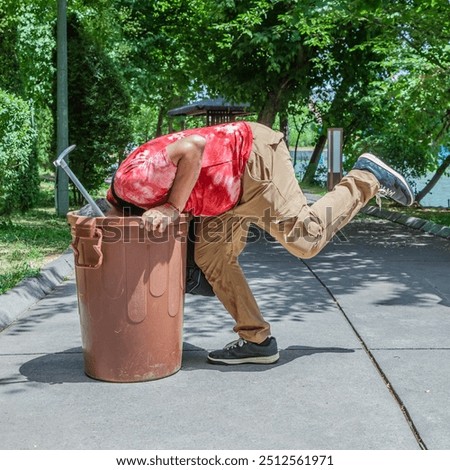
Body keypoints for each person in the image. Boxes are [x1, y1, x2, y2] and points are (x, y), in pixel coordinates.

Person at [105, 120, 414, 365]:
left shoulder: (132, 181)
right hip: (225, 195)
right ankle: (257, 341)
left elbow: (193, 148)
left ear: (124, 210)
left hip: (251, 159)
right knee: (212, 257)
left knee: (304, 238)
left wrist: (172, 208)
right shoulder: (131, 195)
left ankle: (366, 177)